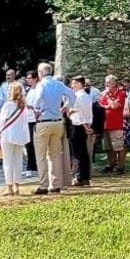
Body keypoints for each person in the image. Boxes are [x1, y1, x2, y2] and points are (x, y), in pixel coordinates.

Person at [27, 62, 75, 194]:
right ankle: (56, 184)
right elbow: (72, 95)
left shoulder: (41, 85)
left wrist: (37, 111)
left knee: (41, 155)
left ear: (41, 73)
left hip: (44, 121)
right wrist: (66, 106)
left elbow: (37, 100)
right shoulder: (58, 84)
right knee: (55, 155)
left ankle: (43, 185)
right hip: (58, 121)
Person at [0, 82, 31, 196]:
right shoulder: (23, 106)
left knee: (8, 162)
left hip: (7, 135)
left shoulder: (8, 105)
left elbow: (2, 121)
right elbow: (25, 123)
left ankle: (9, 187)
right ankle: (17, 187)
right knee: (18, 162)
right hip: (20, 136)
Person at [65, 76, 94, 188]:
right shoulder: (87, 96)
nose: (72, 86)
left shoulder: (77, 96)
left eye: (74, 84)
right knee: (84, 152)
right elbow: (89, 113)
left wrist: (69, 111)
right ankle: (85, 177)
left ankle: (79, 177)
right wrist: (88, 125)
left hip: (77, 125)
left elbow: (77, 112)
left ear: (79, 84)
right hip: (84, 125)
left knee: (77, 153)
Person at [100, 76, 129, 175]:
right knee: (108, 147)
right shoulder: (104, 94)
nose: (106, 84)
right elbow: (101, 105)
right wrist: (109, 104)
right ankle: (110, 164)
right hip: (106, 124)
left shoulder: (121, 94)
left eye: (107, 82)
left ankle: (121, 166)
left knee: (118, 146)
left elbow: (114, 106)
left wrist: (108, 99)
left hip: (116, 124)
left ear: (113, 83)